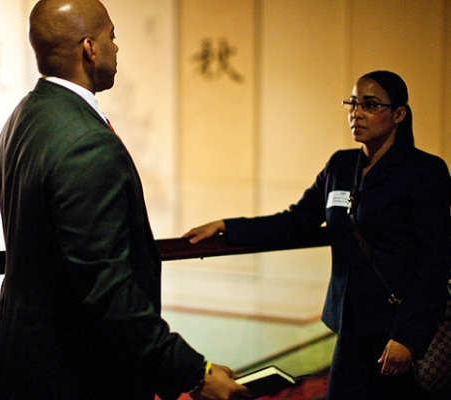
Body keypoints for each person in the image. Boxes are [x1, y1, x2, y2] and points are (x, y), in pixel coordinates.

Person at [0, 1, 251, 399]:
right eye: (112, 36)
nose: (116, 47)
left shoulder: (23, 118)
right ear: (90, 49)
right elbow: (104, 285)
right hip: (74, 374)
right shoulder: (86, 143)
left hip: (24, 360)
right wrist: (194, 373)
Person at [184, 70, 451, 400]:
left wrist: (407, 337)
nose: (357, 113)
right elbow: (295, 221)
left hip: (394, 330)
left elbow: (434, 262)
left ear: (398, 114)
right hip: (350, 328)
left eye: (370, 104)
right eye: (353, 103)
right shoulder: (340, 166)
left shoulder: (425, 172)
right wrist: (228, 225)